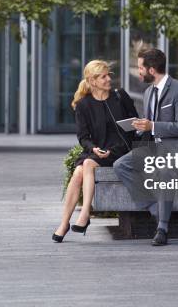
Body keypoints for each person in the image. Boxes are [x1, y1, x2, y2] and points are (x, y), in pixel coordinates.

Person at [114, 49, 178, 246]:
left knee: (165, 171)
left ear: (151, 69)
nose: (138, 72)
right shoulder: (149, 92)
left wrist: (153, 126)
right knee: (120, 165)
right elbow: (151, 125)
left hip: (176, 151)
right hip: (154, 148)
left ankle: (162, 227)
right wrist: (141, 127)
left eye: (141, 68)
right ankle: (152, 207)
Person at [52, 60, 138, 243]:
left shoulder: (120, 96)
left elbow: (135, 124)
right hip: (97, 150)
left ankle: (84, 215)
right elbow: (83, 137)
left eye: (108, 75)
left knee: (88, 164)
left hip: (121, 149)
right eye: (103, 76)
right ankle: (65, 223)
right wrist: (93, 148)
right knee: (78, 172)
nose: (108, 79)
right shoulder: (84, 105)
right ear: (92, 81)